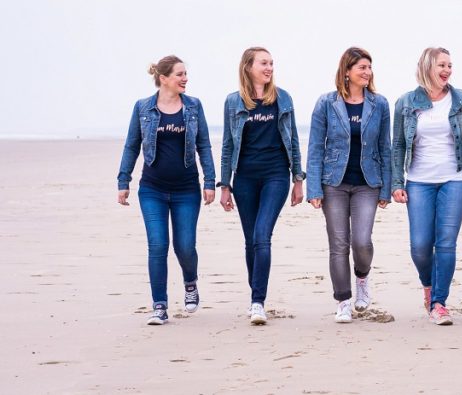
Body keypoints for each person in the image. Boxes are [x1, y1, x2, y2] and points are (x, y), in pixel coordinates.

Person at [117, 55, 216, 325]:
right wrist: (123, 181)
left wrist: (210, 181)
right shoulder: (143, 108)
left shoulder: (194, 107)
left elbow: (204, 145)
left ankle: (190, 282)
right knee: (158, 245)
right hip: (152, 189)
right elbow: (131, 145)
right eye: (179, 74)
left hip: (186, 189)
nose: (185, 78)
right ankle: (159, 306)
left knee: (184, 246)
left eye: (186, 74)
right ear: (163, 78)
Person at [218, 47, 304, 325]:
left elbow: (292, 142)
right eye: (263, 63)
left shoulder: (282, 98)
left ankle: (257, 302)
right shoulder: (233, 102)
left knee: (262, 236)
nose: (269, 68)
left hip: (275, 176)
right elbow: (228, 146)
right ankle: (255, 295)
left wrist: (298, 179)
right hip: (244, 178)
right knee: (250, 240)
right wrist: (225, 185)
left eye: (271, 63)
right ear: (248, 67)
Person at [306, 47, 392, 323]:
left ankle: (362, 279)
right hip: (334, 183)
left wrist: (387, 187)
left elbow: (385, 148)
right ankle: (343, 300)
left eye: (369, 67)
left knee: (361, 242)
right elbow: (316, 147)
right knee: (338, 244)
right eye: (362, 68)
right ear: (347, 72)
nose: (367, 72)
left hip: (368, 183)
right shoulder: (326, 103)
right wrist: (314, 189)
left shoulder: (379, 104)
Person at [391, 47, 462, 326]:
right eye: (442, 65)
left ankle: (439, 303)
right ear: (428, 67)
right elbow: (399, 145)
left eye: (450, 65)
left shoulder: (461, 99)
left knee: (446, 243)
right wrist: (396, 182)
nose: (447, 70)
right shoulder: (406, 102)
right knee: (420, 246)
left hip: (455, 178)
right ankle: (428, 285)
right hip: (419, 181)